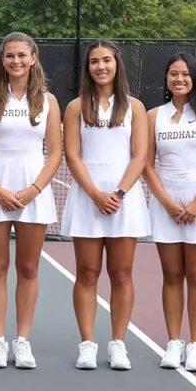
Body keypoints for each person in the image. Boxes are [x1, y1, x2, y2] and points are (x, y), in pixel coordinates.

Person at [0, 32, 62, 369]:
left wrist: (33, 189)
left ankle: (22, 341)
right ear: (2, 60)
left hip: (32, 193)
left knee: (28, 267)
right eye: (10, 56)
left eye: (22, 55)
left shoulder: (48, 102)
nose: (16, 61)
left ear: (33, 58)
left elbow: (54, 152)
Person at [61, 39, 149, 371]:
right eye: (95, 61)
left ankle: (118, 344)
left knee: (122, 273)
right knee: (87, 273)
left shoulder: (135, 107)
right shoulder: (75, 107)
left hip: (124, 201)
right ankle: (87, 344)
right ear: (88, 67)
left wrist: (119, 193)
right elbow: (72, 155)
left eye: (107, 60)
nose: (101, 66)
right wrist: (96, 194)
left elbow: (140, 155)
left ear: (117, 65)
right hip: (87, 199)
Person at [142, 52, 196, 372]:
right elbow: (147, 164)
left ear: (195, 78)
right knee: (172, 275)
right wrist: (165, 201)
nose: (179, 79)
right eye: (173, 74)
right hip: (166, 203)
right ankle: (173, 342)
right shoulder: (153, 117)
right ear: (166, 79)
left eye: (185, 74)